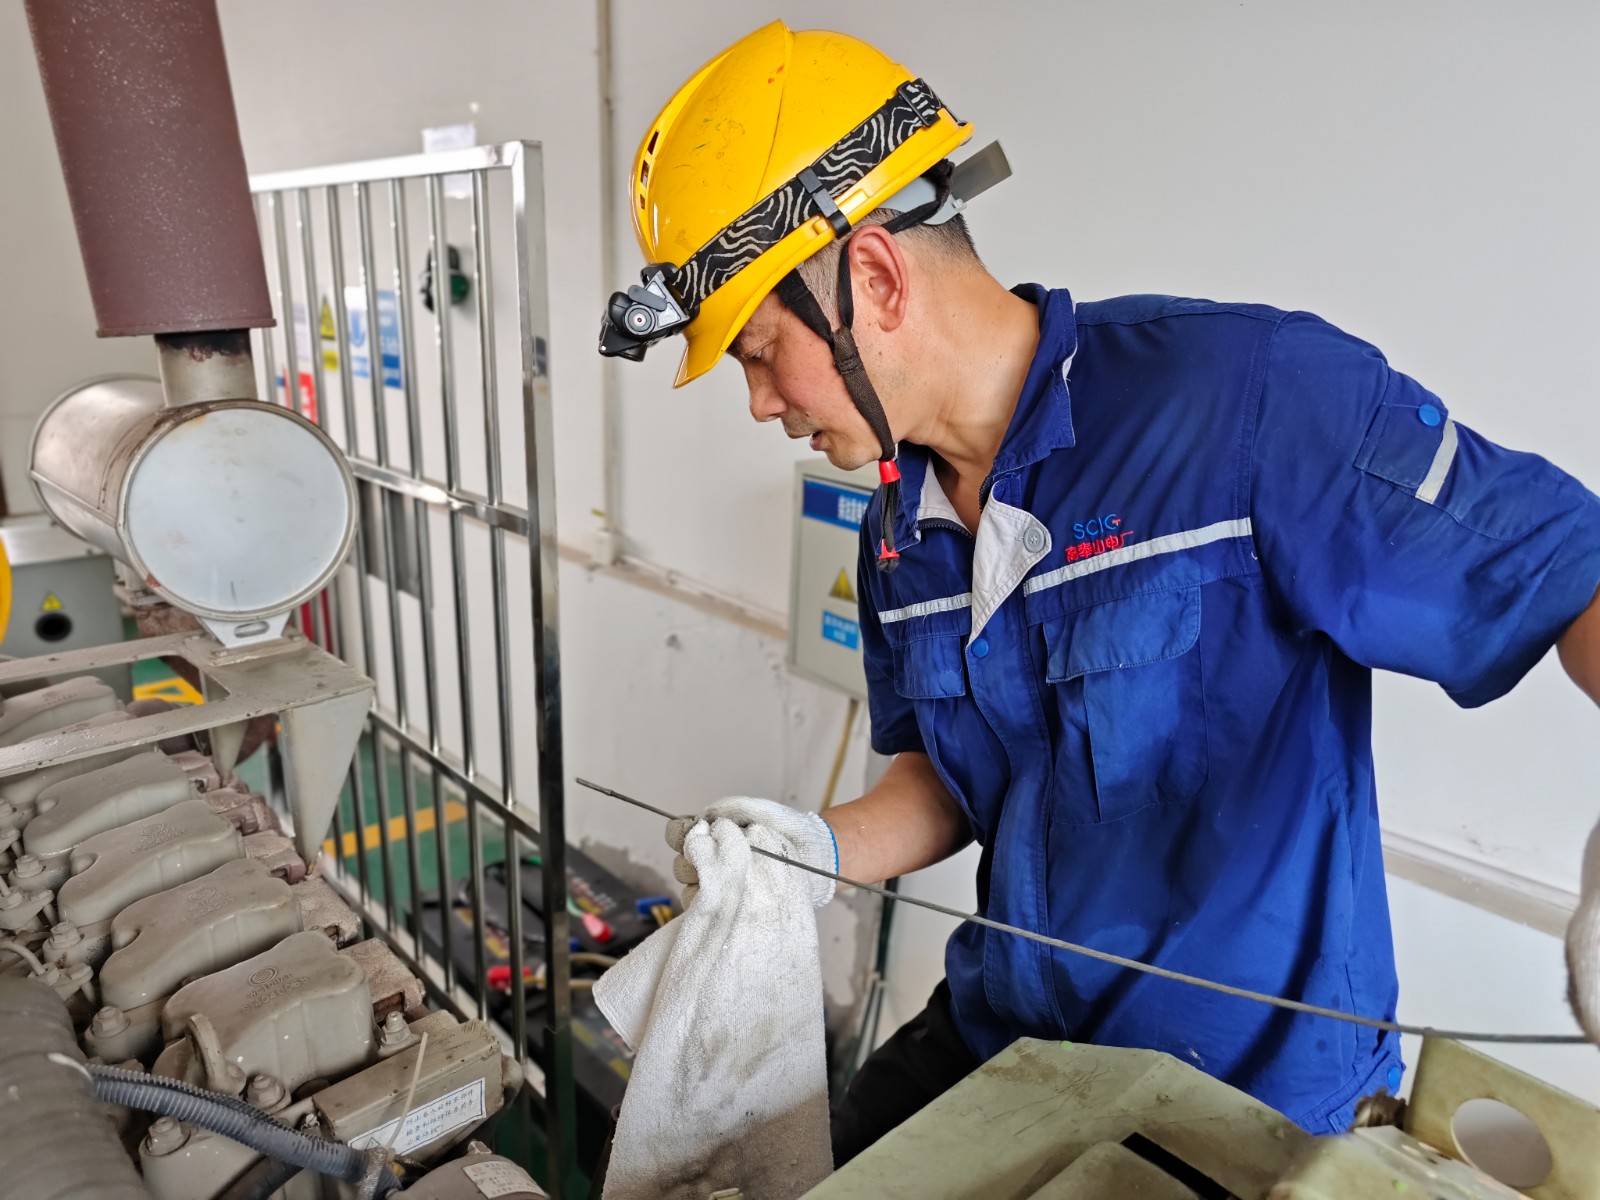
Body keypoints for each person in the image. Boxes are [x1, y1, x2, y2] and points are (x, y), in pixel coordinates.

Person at [598, 20, 1600, 1164]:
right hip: (1008, 1037)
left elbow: (1567, 570)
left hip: (1239, 1105)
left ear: (872, 278)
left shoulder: (1247, 406)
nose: (760, 403)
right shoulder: (896, 537)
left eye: (757, 351)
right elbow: (951, 781)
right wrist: (812, 853)